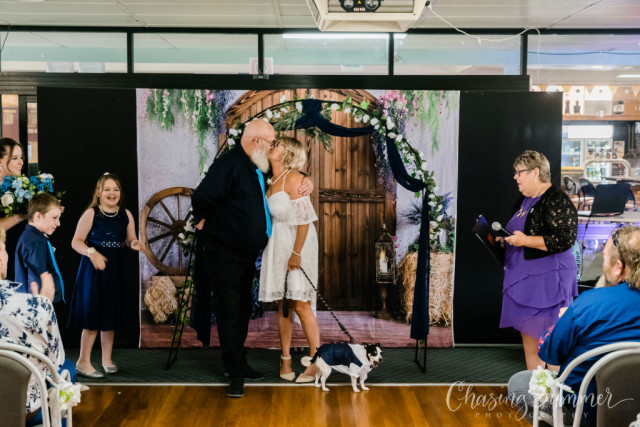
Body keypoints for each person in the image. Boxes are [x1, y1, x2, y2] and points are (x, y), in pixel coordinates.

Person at [191, 119, 313, 398]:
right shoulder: (228, 164)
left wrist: (307, 179)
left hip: (244, 255)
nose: (272, 148)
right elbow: (201, 197)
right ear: (257, 141)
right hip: (223, 254)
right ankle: (234, 373)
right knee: (230, 312)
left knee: (243, 308)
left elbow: (287, 173)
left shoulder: (257, 162)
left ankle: (237, 361)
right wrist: (205, 219)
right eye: (271, 142)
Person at [508, 226, 640, 426]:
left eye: (605, 259)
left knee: (519, 383)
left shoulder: (588, 303)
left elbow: (550, 355)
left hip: (586, 411)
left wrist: (564, 321)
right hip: (637, 412)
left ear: (618, 267)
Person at [499, 150, 578, 370]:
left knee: (549, 342)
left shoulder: (556, 199)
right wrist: (506, 239)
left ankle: (554, 390)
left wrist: (525, 240)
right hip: (527, 280)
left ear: (535, 172)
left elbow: (565, 239)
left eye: (519, 172)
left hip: (548, 282)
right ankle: (535, 388)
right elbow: (520, 232)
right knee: (530, 340)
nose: (515, 177)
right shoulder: (525, 199)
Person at [66, 173, 144, 378]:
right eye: (107, 189)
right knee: (93, 315)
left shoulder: (126, 214)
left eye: (115, 189)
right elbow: (76, 241)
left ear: (120, 193)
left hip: (116, 269)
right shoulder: (91, 213)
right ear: (99, 192)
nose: (112, 193)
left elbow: (130, 239)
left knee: (110, 314)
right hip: (94, 270)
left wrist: (135, 244)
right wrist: (92, 252)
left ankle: (106, 360)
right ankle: (83, 362)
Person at [259, 136, 320, 383]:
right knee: (283, 305)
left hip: (297, 243)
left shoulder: (294, 179)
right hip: (277, 245)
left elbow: (305, 220)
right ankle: (285, 359)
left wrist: (296, 253)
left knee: (301, 304)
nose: (272, 146)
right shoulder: (270, 179)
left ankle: (316, 362)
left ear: (289, 153)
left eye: (278, 145)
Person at [0, 227, 75, 426]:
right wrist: (44, 307)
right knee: (67, 368)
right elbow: (55, 363)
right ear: (1, 259)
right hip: (24, 410)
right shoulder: (36, 306)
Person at [14, 193, 65, 303]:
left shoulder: (32, 237)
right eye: (54, 218)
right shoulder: (35, 242)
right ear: (38, 216)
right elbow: (37, 280)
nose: (58, 223)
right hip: (38, 303)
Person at [0, 137, 29, 280]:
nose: (21, 162)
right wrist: (21, 216)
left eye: (21, 157)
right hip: (4, 256)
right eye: (14, 158)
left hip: (22, 254)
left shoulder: (22, 186)